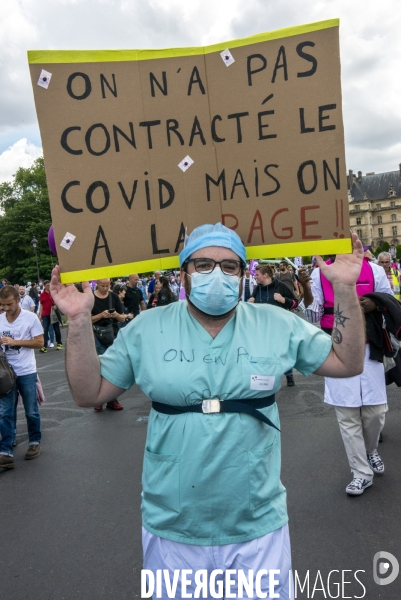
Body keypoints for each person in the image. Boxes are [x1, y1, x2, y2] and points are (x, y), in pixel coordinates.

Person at [50, 223, 365, 596]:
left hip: (257, 526)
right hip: (173, 529)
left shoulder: (275, 323)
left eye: (229, 266)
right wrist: (78, 319)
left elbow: (347, 362)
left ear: (243, 274)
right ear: (183, 273)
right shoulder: (146, 328)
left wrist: (344, 289)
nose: (217, 273)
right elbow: (89, 393)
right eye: (203, 265)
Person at [299, 249, 394, 495]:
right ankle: (361, 472)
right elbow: (312, 313)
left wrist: (376, 304)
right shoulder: (321, 273)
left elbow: (391, 303)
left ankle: (370, 450)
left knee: (375, 412)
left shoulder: (373, 270)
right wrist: (306, 287)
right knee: (347, 415)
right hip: (336, 349)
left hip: (369, 347)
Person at [0, 285, 44, 469]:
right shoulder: (0, 319)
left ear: (18, 300)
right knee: (5, 413)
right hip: (5, 374)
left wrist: (15, 342)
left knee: (30, 410)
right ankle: (6, 451)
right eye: (2, 305)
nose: (5, 308)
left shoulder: (30, 318)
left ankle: (34, 442)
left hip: (26, 370)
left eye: (9, 304)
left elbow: (40, 342)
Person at [248, 264, 299, 386]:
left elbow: (295, 303)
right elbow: (251, 306)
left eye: (257, 275)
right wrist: (250, 302)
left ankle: (289, 375)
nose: (255, 277)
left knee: (282, 352)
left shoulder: (280, 286)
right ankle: (267, 379)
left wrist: (283, 300)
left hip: (279, 326)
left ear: (265, 275)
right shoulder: (257, 289)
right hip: (262, 328)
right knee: (265, 353)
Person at [91, 278, 126, 411]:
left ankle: (111, 399)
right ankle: (100, 399)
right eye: (102, 286)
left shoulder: (114, 297)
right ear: (97, 285)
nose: (105, 288)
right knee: (100, 367)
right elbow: (87, 319)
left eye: (107, 285)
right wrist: (101, 315)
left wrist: (115, 314)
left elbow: (123, 317)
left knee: (112, 367)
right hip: (96, 335)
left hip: (113, 335)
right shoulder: (91, 298)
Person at [38, 280, 63, 353]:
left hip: (53, 313)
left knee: (56, 329)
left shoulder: (54, 293)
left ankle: (59, 343)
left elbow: (59, 301)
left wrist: (56, 305)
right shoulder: (42, 295)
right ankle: (44, 346)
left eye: (50, 285)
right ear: (44, 286)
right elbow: (41, 305)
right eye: (47, 285)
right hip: (46, 314)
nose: (49, 286)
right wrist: (40, 314)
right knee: (45, 330)